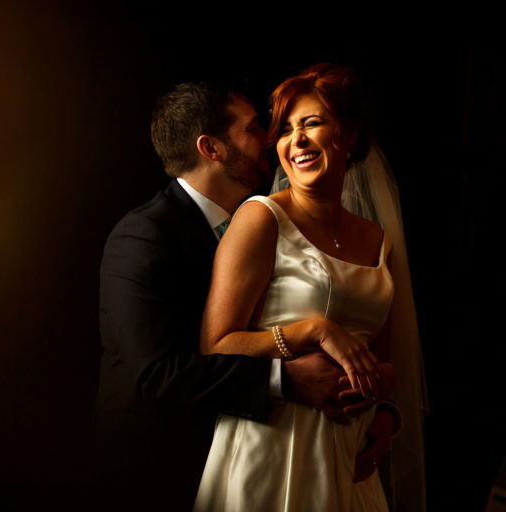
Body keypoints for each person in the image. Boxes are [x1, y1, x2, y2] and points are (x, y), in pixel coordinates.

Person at [93, 79, 388, 510]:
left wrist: (378, 410)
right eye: (254, 130)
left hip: (283, 452)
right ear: (211, 149)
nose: (272, 140)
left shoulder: (266, 224)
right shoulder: (144, 236)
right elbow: (156, 374)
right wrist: (284, 378)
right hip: (158, 469)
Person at [194, 64, 427, 512]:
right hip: (273, 447)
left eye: (311, 124)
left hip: (350, 456)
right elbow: (215, 346)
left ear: (350, 137)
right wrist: (314, 331)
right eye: (284, 129)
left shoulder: (380, 243)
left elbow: (384, 364)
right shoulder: (261, 219)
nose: (294, 140)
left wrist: (383, 414)